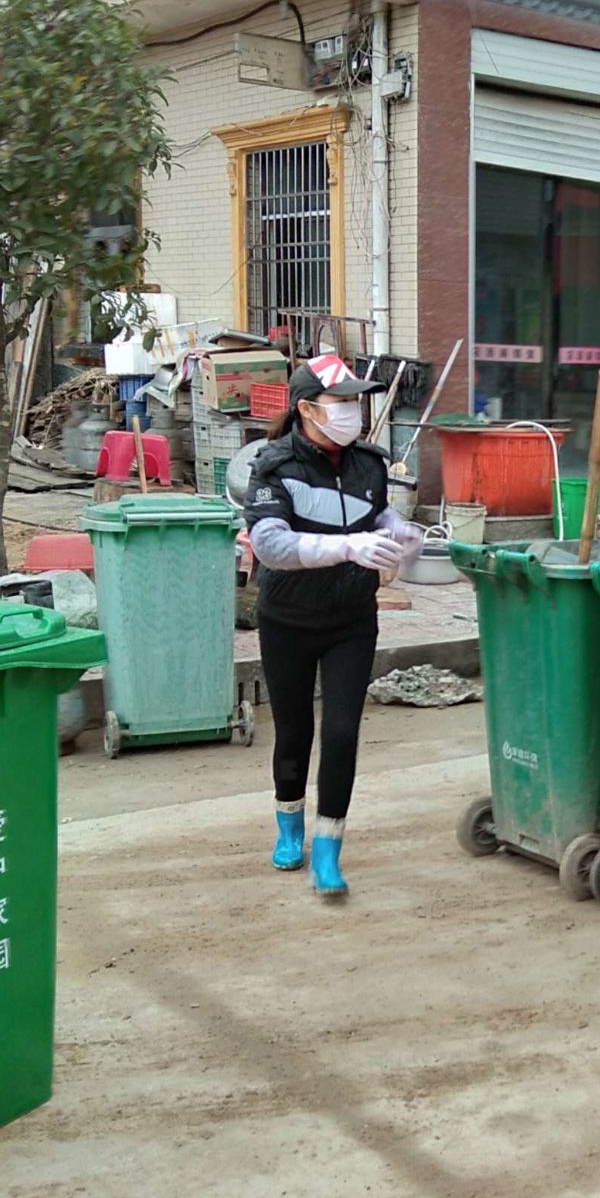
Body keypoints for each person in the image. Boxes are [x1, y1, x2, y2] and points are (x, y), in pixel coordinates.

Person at [244, 355, 424, 897]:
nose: (353, 411)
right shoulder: (274, 467)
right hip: (287, 620)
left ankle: (329, 846)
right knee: (294, 730)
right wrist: (346, 546)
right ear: (306, 409)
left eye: (355, 400)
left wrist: (400, 531)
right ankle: (289, 823)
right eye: (341, 402)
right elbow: (271, 545)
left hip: (352, 619)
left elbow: (377, 515)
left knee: (343, 732)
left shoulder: (369, 463)